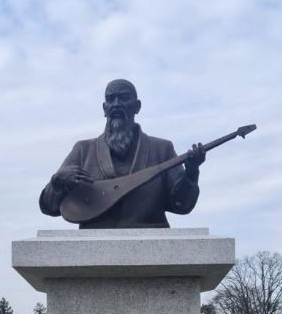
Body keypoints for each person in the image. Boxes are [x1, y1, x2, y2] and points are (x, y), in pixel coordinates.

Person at [39, 79, 205, 228]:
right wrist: (57, 183)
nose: (116, 104)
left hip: (150, 237)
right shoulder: (83, 150)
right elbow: (50, 207)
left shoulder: (162, 149)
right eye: (110, 99)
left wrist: (191, 173)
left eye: (124, 98)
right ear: (104, 108)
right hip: (95, 241)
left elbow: (182, 205)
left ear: (137, 106)